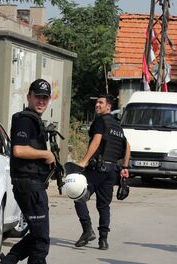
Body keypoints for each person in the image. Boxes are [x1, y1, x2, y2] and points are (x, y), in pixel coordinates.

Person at [0, 79, 55, 264]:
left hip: (33, 186)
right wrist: (46, 153)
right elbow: (19, 150)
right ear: (29, 96)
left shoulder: (34, 120)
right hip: (29, 187)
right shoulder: (25, 120)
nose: (41, 101)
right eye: (38, 96)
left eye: (45, 98)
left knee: (37, 236)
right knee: (41, 241)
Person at [74, 95, 130, 250]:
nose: (97, 105)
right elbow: (128, 147)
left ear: (109, 107)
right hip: (111, 171)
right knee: (104, 206)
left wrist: (84, 161)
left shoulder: (100, 121)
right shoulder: (117, 126)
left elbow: (96, 141)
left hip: (97, 169)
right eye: (96, 102)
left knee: (78, 195)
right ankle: (103, 240)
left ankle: (87, 230)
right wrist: (125, 168)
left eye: (101, 102)